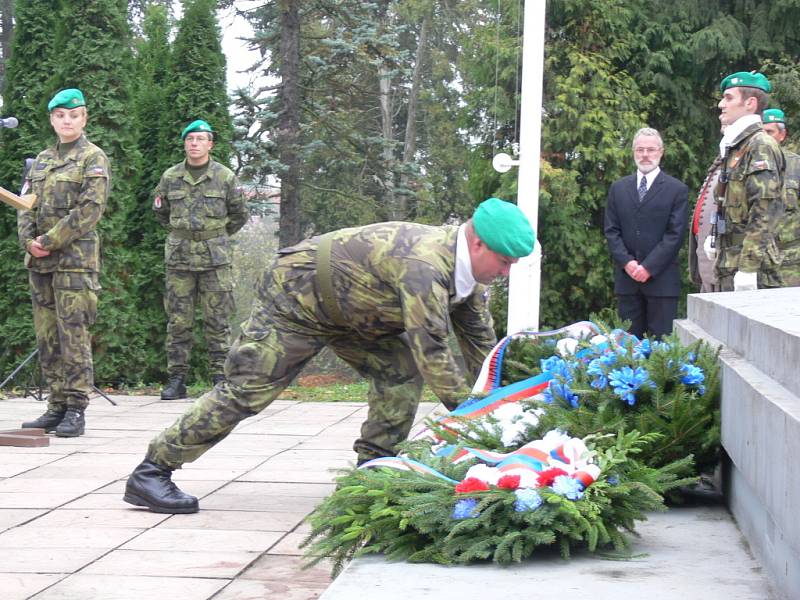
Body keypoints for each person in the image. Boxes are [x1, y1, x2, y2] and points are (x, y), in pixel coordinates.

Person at [123, 197, 535, 513]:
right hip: (298, 298)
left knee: (399, 373)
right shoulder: (425, 265)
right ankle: (152, 471)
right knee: (246, 391)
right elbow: (432, 349)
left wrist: (512, 405)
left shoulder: (467, 279)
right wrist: (474, 419)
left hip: (359, 314)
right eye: (503, 262)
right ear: (477, 243)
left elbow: (485, 350)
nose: (506, 273)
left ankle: (373, 471)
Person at [17, 88, 110, 437]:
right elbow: (26, 204)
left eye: (73, 115)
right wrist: (29, 241)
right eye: (60, 116)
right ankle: (55, 405)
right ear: (52, 119)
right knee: (47, 336)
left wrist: (49, 241)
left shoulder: (93, 158)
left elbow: (89, 210)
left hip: (74, 262)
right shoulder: (41, 160)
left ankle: (75, 408)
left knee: (73, 335)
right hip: (40, 263)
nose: (66, 121)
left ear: (84, 118)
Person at [154, 120, 249, 400]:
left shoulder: (225, 177)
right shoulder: (170, 177)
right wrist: (185, 235)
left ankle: (221, 378)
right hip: (180, 260)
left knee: (217, 321)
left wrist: (214, 236)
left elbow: (239, 214)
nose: (194, 143)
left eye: (200, 139)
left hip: (214, 260)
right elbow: (161, 213)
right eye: (190, 139)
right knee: (178, 322)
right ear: (185, 144)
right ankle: (176, 379)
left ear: (210, 144)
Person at [604, 127, 688, 338]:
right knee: (627, 351)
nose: (645, 155)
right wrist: (628, 263)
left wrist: (648, 267)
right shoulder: (618, 188)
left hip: (662, 282)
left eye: (651, 150)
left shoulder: (676, 189)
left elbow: (675, 235)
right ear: (633, 152)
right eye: (640, 150)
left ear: (661, 152)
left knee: (662, 350)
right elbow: (611, 231)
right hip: (627, 282)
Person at [708, 72, 785, 291]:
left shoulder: (760, 145)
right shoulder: (737, 146)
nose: (722, 104)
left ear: (750, 103)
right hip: (731, 262)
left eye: (729, 98)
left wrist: (749, 268)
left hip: (754, 271)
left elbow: (765, 210)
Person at [761, 108, 800, 286]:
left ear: (782, 135)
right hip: (756, 262)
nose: (764, 137)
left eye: (770, 132)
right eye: (761, 132)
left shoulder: (796, 166)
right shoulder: (746, 166)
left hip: (790, 263)